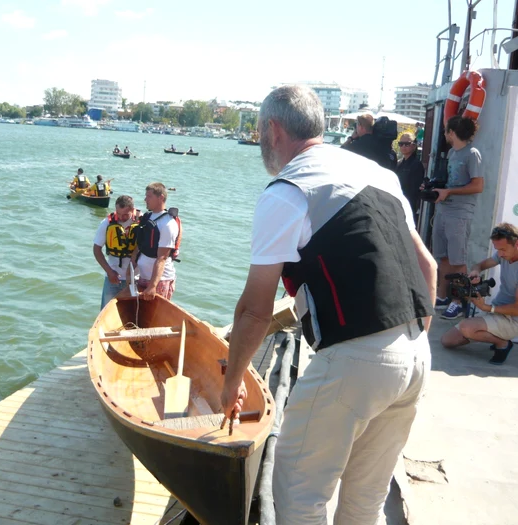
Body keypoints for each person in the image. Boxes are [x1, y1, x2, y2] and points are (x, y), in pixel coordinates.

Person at [219, 85, 436, 525]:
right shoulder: (381, 175)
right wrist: (404, 344)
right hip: (415, 354)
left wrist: (232, 381)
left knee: (298, 494)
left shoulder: (288, 190)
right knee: (364, 501)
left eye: (262, 131)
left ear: (273, 130)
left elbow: (255, 310)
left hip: (356, 358)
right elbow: (427, 266)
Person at [440, 223, 518, 365]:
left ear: (516, 243)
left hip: (512, 320)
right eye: (497, 249)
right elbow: (480, 265)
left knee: (466, 327)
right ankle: (492, 333)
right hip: (496, 312)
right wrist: (476, 271)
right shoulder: (503, 254)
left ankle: (503, 343)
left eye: (503, 249)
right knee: (447, 341)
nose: (500, 253)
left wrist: (487, 308)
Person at [431, 115, 484, 320]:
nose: (445, 135)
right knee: (443, 256)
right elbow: (451, 183)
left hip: (460, 213)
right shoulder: (453, 152)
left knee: (458, 259)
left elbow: (478, 185)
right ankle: (443, 296)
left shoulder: (472, 154)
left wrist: (450, 192)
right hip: (445, 210)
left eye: (446, 131)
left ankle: (459, 302)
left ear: (451, 132)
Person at [129, 182, 179, 301]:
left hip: (159, 281)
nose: (145, 199)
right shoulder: (147, 217)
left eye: (149, 196)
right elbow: (140, 246)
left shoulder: (168, 224)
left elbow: (162, 257)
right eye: (146, 196)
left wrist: (152, 286)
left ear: (161, 197)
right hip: (142, 277)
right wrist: (131, 268)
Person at [93, 195, 140, 308]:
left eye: (125, 215)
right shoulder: (107, 223)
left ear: (132, 210)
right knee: (107, 311)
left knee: (133, 314)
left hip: (136, 279)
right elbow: (96, 249)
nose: (121, 217)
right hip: (113, 278)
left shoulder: (141, 222)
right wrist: (109, 271)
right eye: (118, 213)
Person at [395, 132, 425, 226]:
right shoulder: (400, 163)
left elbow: (414, 190)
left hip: (409, 204)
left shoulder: (417, 164)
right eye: (401, 144)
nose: (403, 146)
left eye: (407, 144)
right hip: (398, 202)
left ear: (413, 146)